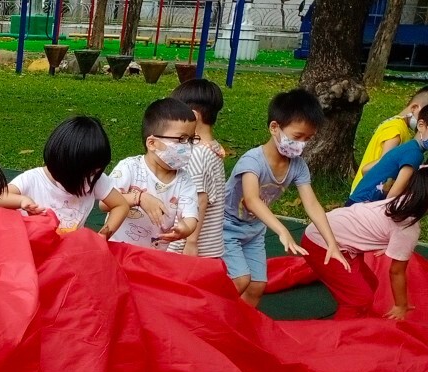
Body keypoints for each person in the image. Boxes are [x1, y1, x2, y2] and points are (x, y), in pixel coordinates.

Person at [223, 89, 349, 307]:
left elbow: (311, 204)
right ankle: (208, 322)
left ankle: (238, 329)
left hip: (253, 231)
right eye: (297, 137)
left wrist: (332, 243)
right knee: (240, 280)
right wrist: (282, 230)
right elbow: (251, 200)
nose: (301, 144)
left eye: (308, 139)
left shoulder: (298, 166)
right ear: (275, 128)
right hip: (225, 226)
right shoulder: (252, 161)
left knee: (257, 286)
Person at [305, 167, 428, 320]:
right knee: (359, 299)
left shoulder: (400, 202)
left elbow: (423, 171)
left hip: (329, 231)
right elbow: (396, 271)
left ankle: (353, 313)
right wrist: (400, 305)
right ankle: (341, 335)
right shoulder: (407, 226)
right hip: (322, 243)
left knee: (369, 284)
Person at [0, 116, 131, 236]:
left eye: (95, 172)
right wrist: (21, 200)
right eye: (84, 174)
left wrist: (103, 235)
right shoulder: (33, 179)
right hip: (32, 252)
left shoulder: (96, 180)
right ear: (62, 165)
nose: (89, 179)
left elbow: (121, 205)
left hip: (68, 254)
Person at [106, 99, 200, 250]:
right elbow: (104, 203)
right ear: (152, 143)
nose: (187, 146)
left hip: (153, 258)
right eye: (181, 139)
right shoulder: (129, 167)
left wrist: (185, 229)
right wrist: (139, 198)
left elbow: (190, 216)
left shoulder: (184, 180)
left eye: (190, 139)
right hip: (117, 253)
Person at [169, 79, 228, 257]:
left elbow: (199, 200)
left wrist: (191, 242)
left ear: (193, 116)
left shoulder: (196, 154)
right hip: (210, 244)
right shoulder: (214, 148)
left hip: (187, 245)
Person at [352, 85, 428, 193]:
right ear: (414, 108)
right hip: (368, 193)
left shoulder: (396, 125)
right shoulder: (396, 130)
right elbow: (380, 165)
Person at [348, 107, 428, 205]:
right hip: (363, 206)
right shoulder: (415, 154)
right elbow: (393, 196)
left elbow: (365, 170)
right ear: (421, 125)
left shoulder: (407, 147)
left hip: (357, 200)